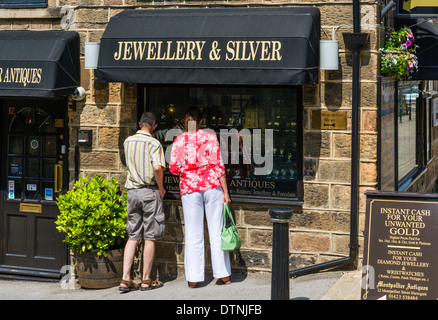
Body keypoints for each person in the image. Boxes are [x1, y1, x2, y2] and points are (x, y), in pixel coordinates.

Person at [169, 106, 232, 288]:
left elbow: (173, 168)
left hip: (190, 188)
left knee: (193, 233)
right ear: (201, 122)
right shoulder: (210, 137)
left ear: (184, 122)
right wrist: (226, 192)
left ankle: (194, 278)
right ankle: (223, 274)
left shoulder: (179, 141)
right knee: (216, 230)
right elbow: (219, 166)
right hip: (212, 186)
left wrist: (188, 170)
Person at [119, 112, 166, 292]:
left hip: (132, 192)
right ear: (154, 127)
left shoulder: (127, 141)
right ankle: (145, 280)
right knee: (150, 237)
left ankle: (125, 279)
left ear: (140, 124)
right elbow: (157, 167)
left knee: (133, 236)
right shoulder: (154, 143)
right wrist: (161, 187)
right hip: (149, 191)